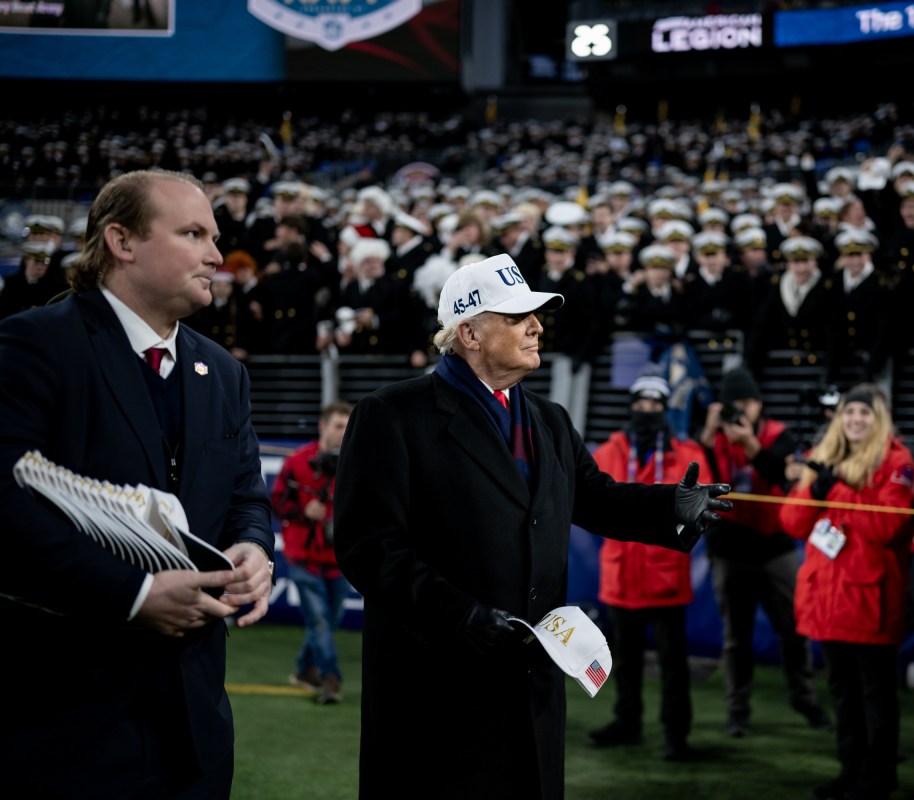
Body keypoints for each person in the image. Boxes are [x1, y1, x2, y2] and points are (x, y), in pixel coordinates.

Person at [332, 253, 732, 800]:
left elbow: (595, 498)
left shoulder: (549, 418)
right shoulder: (392, 413)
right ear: (469, 334)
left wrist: (670, 508)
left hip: (530, 682)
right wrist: (460, 615)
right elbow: (369, 546)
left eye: (535, 315)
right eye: (518, 316)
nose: (537, 326)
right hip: (435, 683)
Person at [0, 169, 275, 798]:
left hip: (196, 727)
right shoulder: (34, 344)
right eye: (193, 234)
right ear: (121, 241)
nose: (216, 255)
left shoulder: (224, 372)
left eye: (214, 237)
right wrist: (132, 592)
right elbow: (6, 502)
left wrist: (254, 548)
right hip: (64, 719)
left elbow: (245, 495)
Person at [779, 384, 914, 800]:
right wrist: (814, 492)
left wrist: (837, 487)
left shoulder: (896, 460)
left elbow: (889, 526)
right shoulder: (823, 454)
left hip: (871, 600)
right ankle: (850, 772)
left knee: (876, 695)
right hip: (827, 599)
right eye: (849, 411)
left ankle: (877, 780)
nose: (855, 419)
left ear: (879, 418)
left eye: (864, 412)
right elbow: (792, 522)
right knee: (843, 692)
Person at [697, 365, 831, 737]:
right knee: (736, 637)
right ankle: (737, 710)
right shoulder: (714, 438)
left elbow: (777, 473)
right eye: (734, 403)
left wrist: (749, 443)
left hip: (775, 545)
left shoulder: (778, 434)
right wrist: (707, 435)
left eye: (748, 402)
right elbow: (697, 476)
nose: (742, 410)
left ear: (759, 403)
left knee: (794, 629)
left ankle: (806, 700)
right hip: (731, 547)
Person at [586, 374, 713, 761]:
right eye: (641, 403)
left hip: (665, 577)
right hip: (621, 576)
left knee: (673, 664)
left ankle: (677, 734)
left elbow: (701, 510)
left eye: (655, 404)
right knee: (624, 660)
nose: (647, 410)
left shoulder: (687, 453)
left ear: (665, 409)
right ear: (631, 406)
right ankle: (627, 722)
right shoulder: (609, 450)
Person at [271, 400, 354, 705]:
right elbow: (277, 502)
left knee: (327, 621)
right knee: (320, 621)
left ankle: (303, 670)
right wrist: (304, 512)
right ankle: (331, 679)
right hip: (304, 558)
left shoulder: (355, 462)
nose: (343, 433)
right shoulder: (298, 461)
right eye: (338, 426)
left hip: (340, 558)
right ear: (323, 426)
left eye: (347, 427)